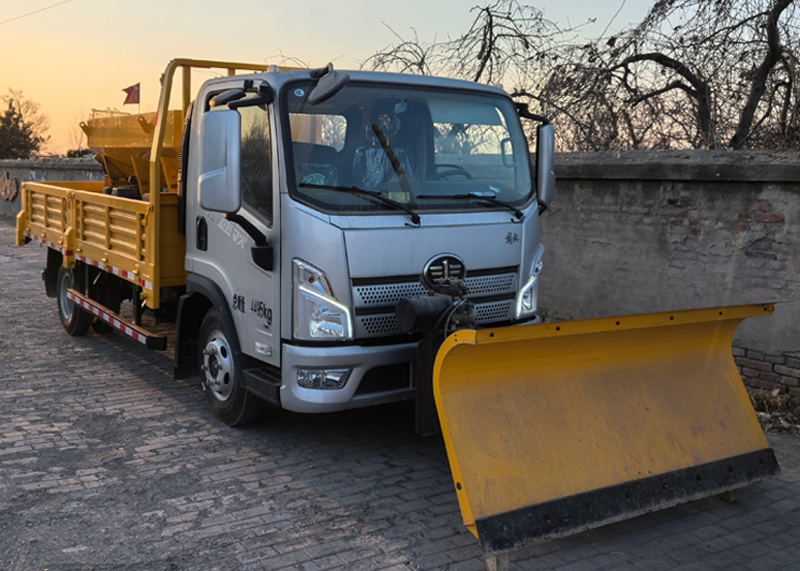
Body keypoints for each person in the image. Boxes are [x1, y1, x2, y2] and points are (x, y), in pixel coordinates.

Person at [352, 100, 415, 190]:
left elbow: (408, 193)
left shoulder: (400, 154)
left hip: (393, 203)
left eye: (386, 121)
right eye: (379, 122)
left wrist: (388, 197)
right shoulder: (361, 153)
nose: (382, 127)